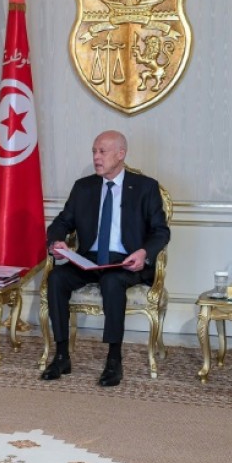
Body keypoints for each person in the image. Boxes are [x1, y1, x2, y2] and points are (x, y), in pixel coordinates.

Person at [43, 130, 170, 387]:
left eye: (102, 151)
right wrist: (56, 241)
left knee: (112, 281)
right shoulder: (83, 187)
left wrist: (143, 253)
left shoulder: (145, 188)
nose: (96, 157)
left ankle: (114, 359)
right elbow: (62, 222)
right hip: (90, 260)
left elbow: (161, 231)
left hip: (126, 262)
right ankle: (61, 355)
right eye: (94, 151)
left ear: (120, 154)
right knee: (57, 278)